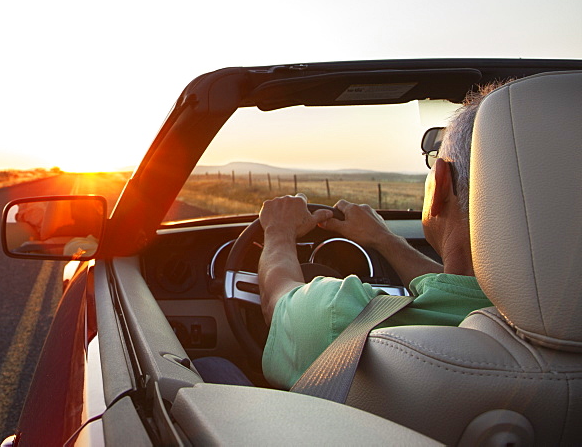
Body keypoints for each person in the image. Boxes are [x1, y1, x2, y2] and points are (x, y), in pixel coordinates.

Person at [196, 83, 500, 388]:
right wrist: (384, 239)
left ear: (441, 183)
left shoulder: (340, 316)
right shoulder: (516, 312)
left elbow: (276, 302)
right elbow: (459, 288)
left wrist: (278, 231)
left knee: (211, 369)